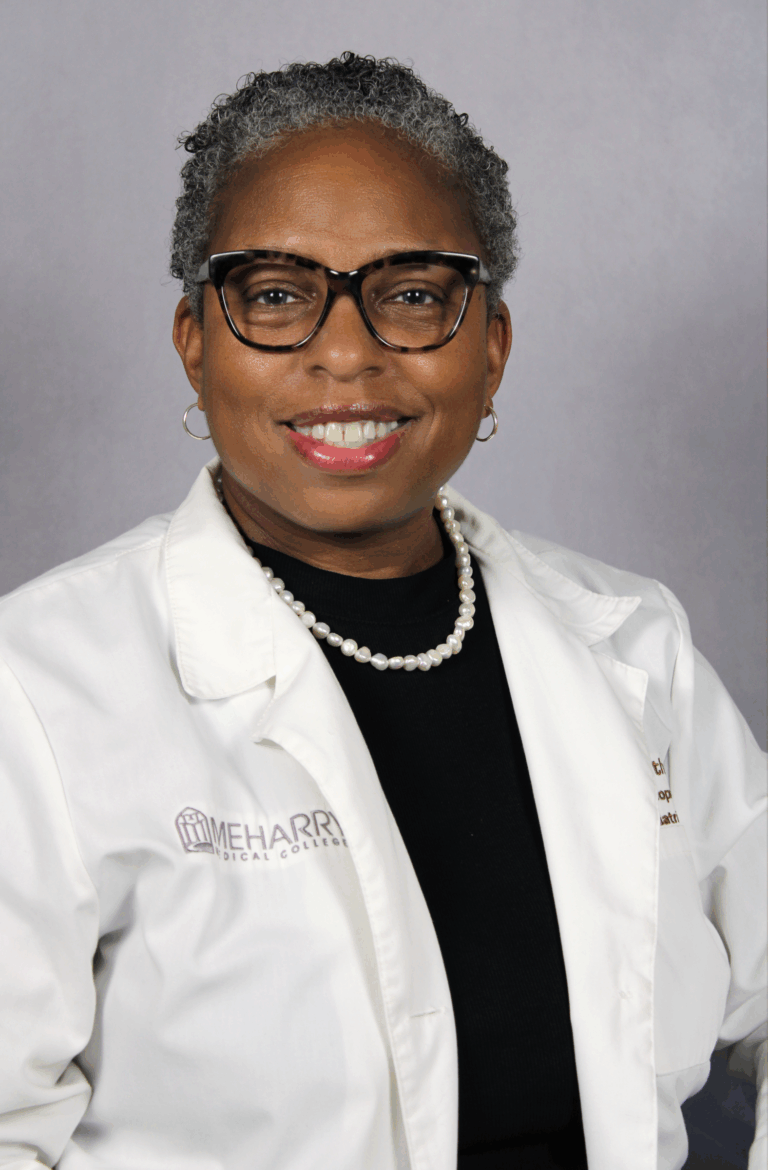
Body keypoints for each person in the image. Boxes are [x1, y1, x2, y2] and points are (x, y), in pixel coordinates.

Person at [0, 51, 764, 1170]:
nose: (347, 354)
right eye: (275, 295)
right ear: (194, 341)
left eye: (413, 294)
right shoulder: (40, 687)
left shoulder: (631, 639)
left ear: (491, 347)